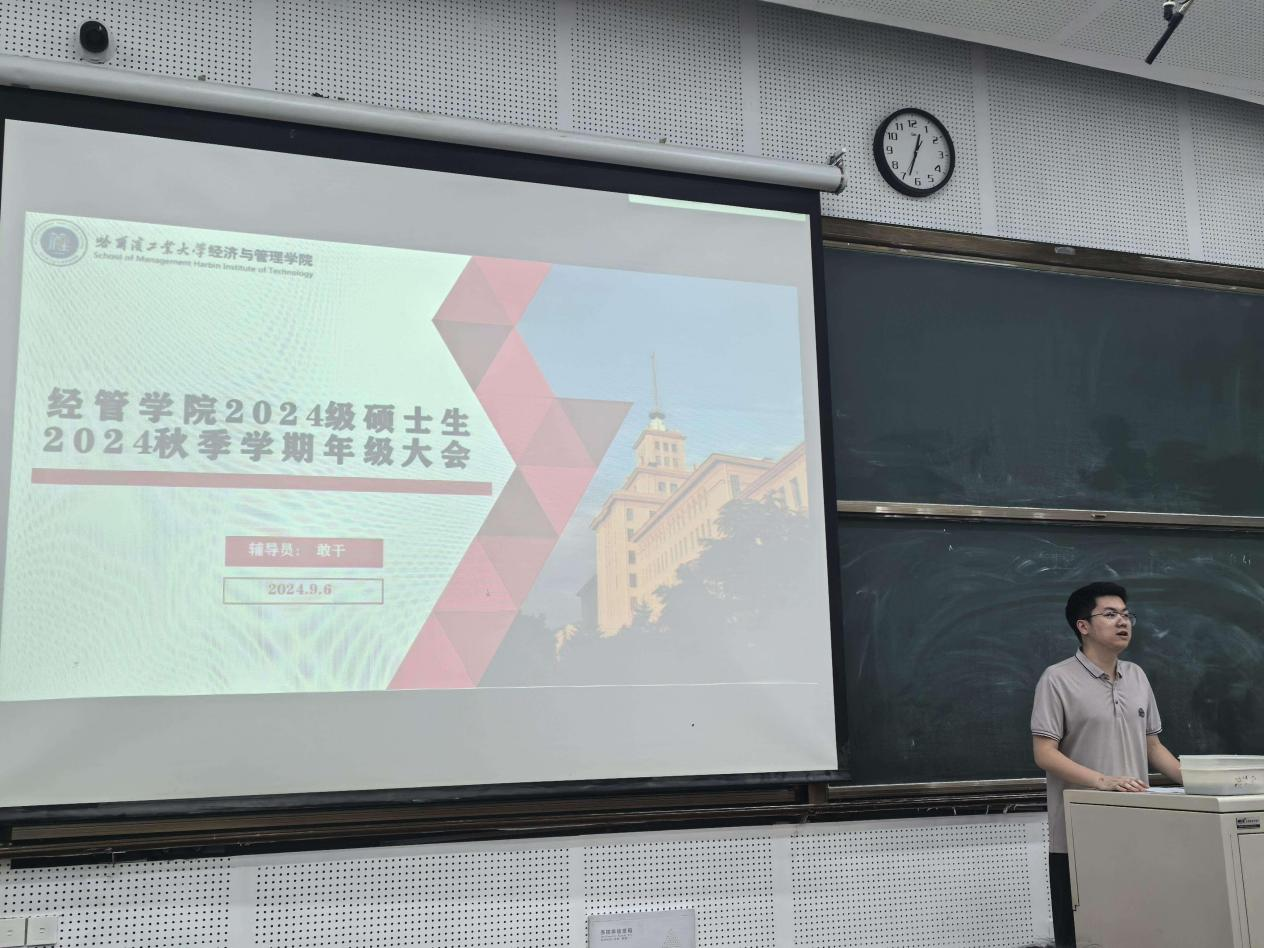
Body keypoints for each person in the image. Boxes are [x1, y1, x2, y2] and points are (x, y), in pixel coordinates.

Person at [1030, 581, 1183, 948]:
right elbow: (1045, 753)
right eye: (1111, 614)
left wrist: (1203, 782)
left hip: (1137, 829)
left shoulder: (1137, 676)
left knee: (1138, 932)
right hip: (1079, 835)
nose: (1123, 621)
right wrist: (1102, 781)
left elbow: (1153, 746)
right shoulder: (1057, 679)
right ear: (1083, 626)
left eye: (1127, 614)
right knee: (1083, 937)